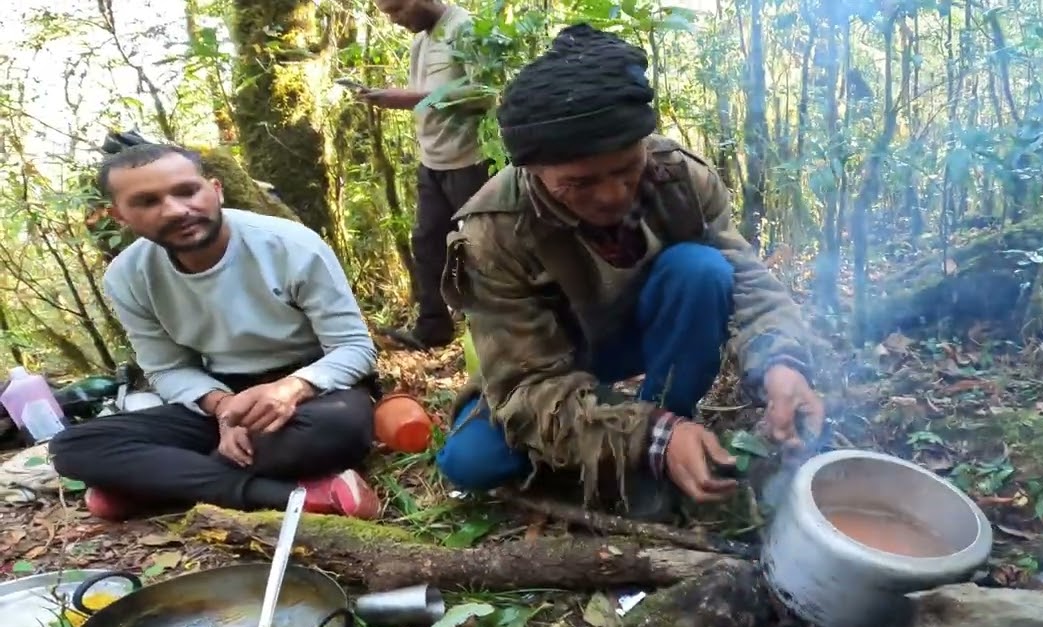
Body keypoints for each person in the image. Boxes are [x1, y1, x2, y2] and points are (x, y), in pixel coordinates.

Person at [434, 24, 826, 519]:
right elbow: (526, 387)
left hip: (644, 329)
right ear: (531, 170)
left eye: (626, 168)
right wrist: (650, 436)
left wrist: (781, 364)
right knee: (471, 461)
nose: (613, 195)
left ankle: (668, 429)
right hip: (553, 361)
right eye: (579, 183)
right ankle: (656, 445)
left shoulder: (679, 178)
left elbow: (746, 279)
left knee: (702, 270)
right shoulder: (493, 232)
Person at [49, 144, 382, 521]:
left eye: (187, 191)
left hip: (311, 390)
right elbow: (167, 369)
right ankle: (290, 495)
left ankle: (162, 485)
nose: (176, 210)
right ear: (119, 215)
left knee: (334, 429)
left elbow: (354, 348)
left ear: (216, 189)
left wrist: (291, 389)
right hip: (215, 397)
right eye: (147, 201)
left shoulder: (289, 245)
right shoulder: (129, 275)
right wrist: (224, 409)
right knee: (74, 446)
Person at [360, 0, 493, 349]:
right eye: (388, 14)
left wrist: (407, 99)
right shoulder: (421, 39)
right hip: (433, 159)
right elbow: (427, 95)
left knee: (484, 247)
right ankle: (433, 328)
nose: (394, 20)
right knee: (427, 242)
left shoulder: (465, 28)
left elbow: (486, 93)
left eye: (398, 9)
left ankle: (498, 331)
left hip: (471, 159)